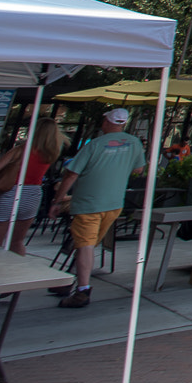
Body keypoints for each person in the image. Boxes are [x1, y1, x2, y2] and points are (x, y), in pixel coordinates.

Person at [50, 108, 146, 309]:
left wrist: (57, 200)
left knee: (85, 245)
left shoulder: (94, 145)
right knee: (88, 244)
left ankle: (82, 290)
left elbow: (71, 174)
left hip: (89, 203)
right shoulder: (134, 143)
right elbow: (138, 169)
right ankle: (71, 281)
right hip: (114, 203)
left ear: (107, 122)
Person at [0, 118, 62, 254]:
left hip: (11, 191)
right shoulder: (51, 153)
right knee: (17, 241)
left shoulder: (21, 150)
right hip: (33, 194)